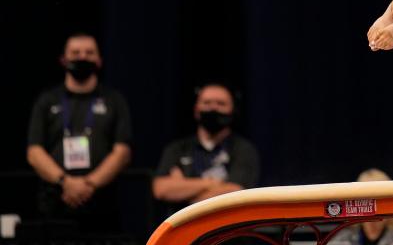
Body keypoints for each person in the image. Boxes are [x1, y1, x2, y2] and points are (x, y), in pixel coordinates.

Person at [25, 33, 132, 232]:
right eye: (75, 53)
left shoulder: (114, 100)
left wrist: (89, 184)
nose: (82, 57)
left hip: (101, 205)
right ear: (63, 60)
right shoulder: (47, 100)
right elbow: (34, 152)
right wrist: (66, 182)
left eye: (89, 53)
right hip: (54, 202)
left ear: (99, 61)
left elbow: (122, 152)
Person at [152, 83, 259, 215]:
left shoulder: (243, 149)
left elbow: (234, 192)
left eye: (221, 104)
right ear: (196, 110)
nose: (213, 108)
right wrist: (211, 184)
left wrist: (183, 189)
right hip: (183, 231)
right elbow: (161, 189)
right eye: (207, 103)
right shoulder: (177, 149)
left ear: (233, 110)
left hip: (229, 229)